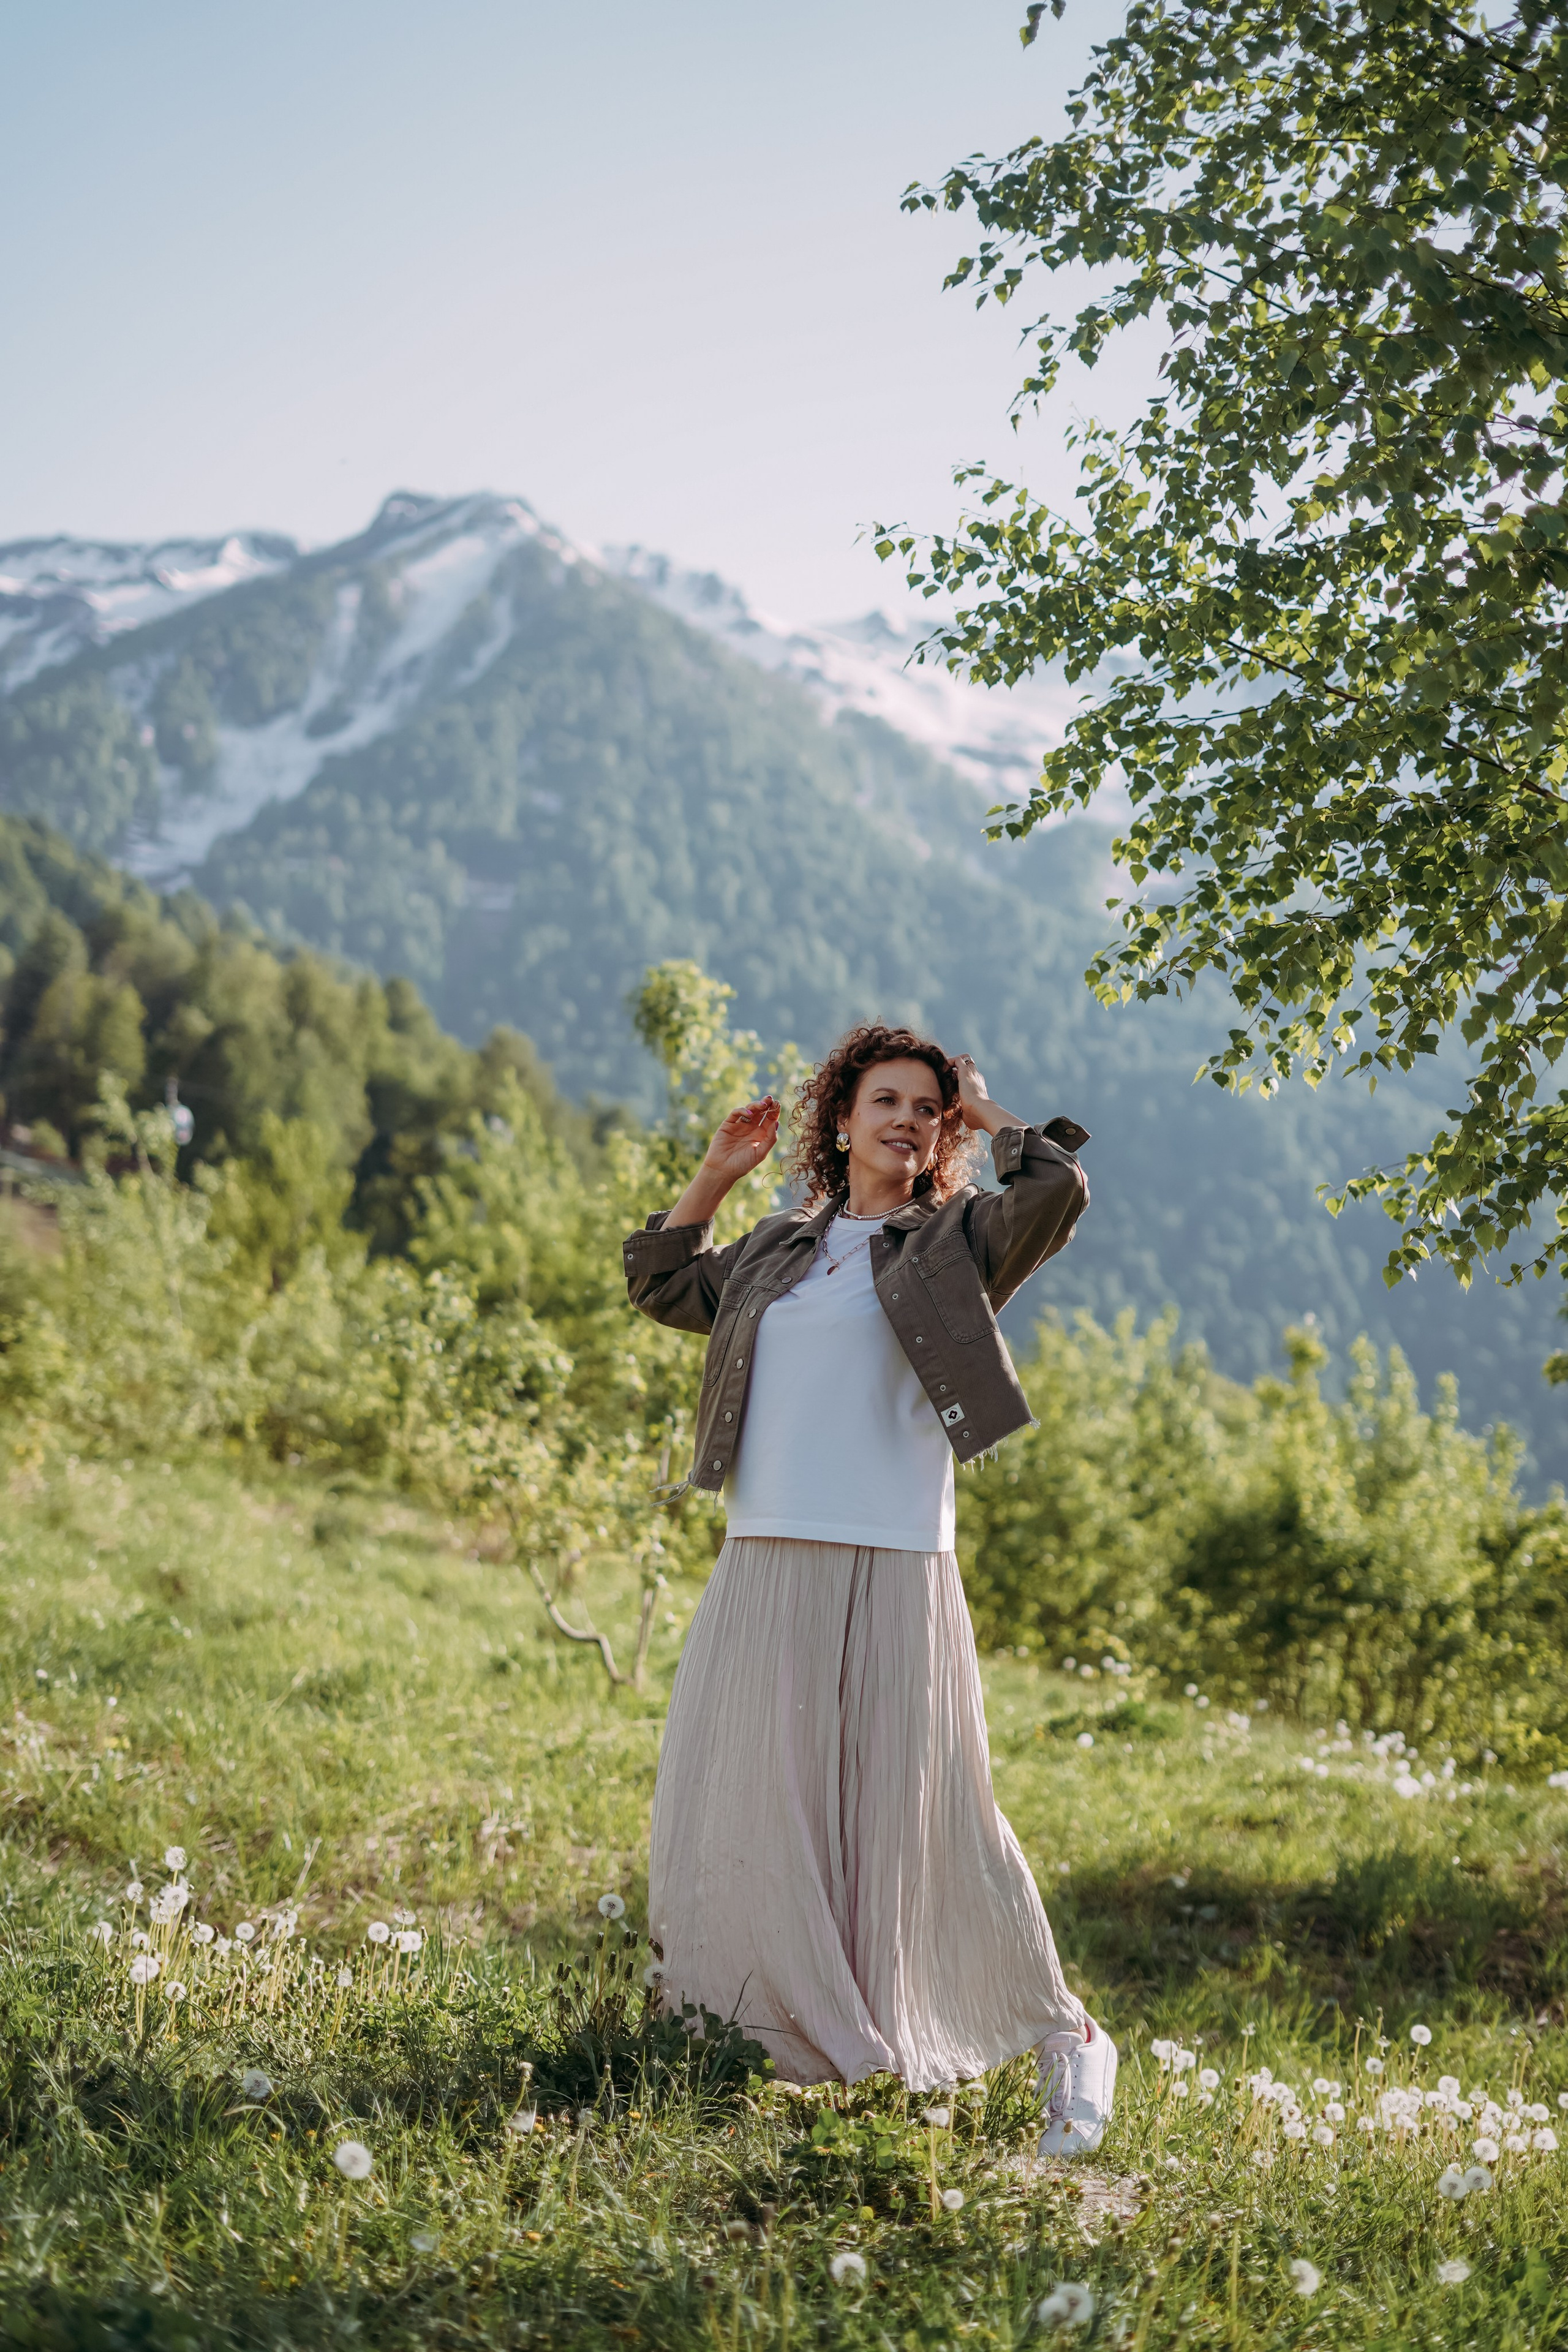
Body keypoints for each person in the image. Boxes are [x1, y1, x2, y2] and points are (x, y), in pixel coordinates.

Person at [622, 1022, 1117, 2157]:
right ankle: (769, 2036)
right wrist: (715, 1173)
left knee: (931, 1819)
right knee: (753, 1797)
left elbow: (1056, 1188)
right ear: (840, 1120)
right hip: (765, 1555)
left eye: (926, 1108)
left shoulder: (957, 1239)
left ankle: (1068, 2036)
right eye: (884, 1099)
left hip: (898, 1560)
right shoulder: (773, 1247)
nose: (906, 1118)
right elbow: (657, 1284)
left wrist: (988, 1114)